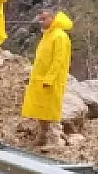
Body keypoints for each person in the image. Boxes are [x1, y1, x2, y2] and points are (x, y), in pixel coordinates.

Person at [22, 10, 73, 146]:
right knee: (41, 109)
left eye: (44, 19)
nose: (41, 22)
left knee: (50, 110)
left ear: (52, 18)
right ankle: (43, 137)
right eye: (40, 19)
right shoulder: (48, 35)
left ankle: (54, 139)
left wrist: (49, 79)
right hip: (40, 78)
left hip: (52, 80)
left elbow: (58, 60)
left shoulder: (59, 37)